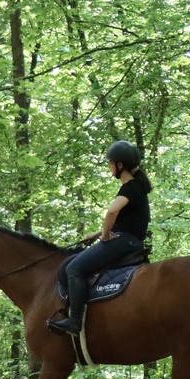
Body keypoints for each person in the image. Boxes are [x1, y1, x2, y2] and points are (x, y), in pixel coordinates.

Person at [47, 140, 152, 336]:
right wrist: (97, 234)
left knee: (74, 268)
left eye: (110, 162)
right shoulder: (136, 187)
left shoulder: (129, 188)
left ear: (120, 165)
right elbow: (125, 221)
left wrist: (104, 236)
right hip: (129, 239)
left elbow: (112, 212)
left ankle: (74, 321)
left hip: (125, 241)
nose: (109, 166)